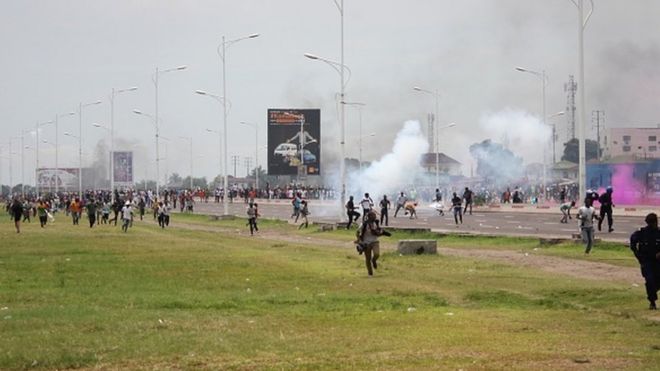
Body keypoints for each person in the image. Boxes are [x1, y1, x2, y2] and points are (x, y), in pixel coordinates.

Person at [629, 213, 660, 310]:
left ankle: (652, 292)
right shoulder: (642, 233)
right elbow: (633, 242)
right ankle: (652, 302)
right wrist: (638, 256)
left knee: (657, 281)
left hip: (658, 262)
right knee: (650, 280)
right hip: (646, 261)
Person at [356, 210, 385, 276]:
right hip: (366, 243)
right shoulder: (364, 224)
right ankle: (370, 273)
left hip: (375, 241)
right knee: (367, 258)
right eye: (373, 216)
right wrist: (359, 240)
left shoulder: (376, 223)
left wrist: (380, 232)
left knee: (377, 254)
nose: (375, 217)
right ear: (369, 217)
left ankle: (374, 260)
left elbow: (379, 230)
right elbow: (357, 232)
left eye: (375, 216)